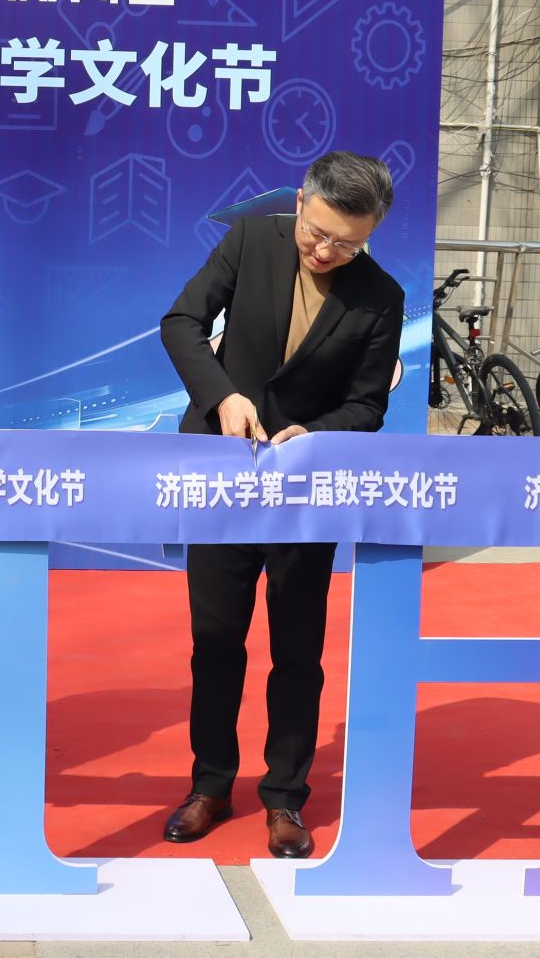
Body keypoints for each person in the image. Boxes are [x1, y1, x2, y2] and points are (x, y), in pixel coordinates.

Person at [158, 150, 405, 859]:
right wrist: (221, 396)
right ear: (300, 201)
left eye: (346, 244)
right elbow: (181, 322)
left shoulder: (380, 295)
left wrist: (316, 434)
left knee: (298, 649)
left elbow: (367, 404)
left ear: (371, 232)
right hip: (223, 475)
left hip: (303, 490)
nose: (326, 252)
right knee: (215, 640)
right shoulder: (251, 240)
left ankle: (285, 796)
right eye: (318, 232)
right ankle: (209, 784)